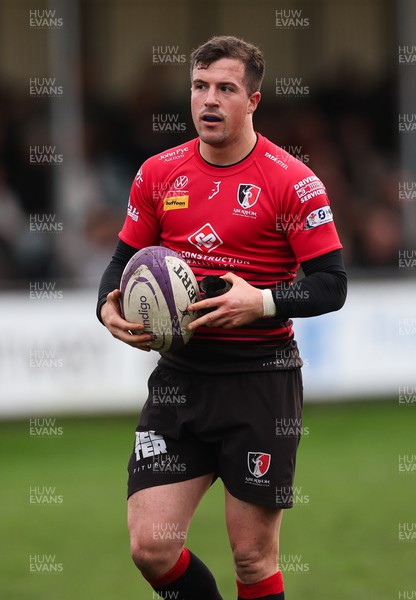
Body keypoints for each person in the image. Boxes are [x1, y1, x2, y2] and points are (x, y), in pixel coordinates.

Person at [97, 35, 347, 600]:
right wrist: (106, 306)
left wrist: (258, 301)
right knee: (151, 548)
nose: (209, 100)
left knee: (252, 559)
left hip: (260, 379)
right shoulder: (159, 173)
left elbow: (332, 286)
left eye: (226, 89)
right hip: (180, 378)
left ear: (252, 100)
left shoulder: (291, 181)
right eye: (200, 87)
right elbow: (119, 264)